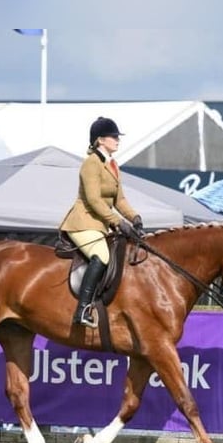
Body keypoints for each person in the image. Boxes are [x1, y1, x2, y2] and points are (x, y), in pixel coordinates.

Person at [60, 116, 145, 328]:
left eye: (117, 136)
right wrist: (118, 222)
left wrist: (134, 217)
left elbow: (120, 199)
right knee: (102, 255)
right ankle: (82, 309)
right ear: (100, 140)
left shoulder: (112, 165)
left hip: (100, 224)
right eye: (113, 136)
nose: (117, 139)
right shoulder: (91, 163)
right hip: (83, 222)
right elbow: (93, 200)